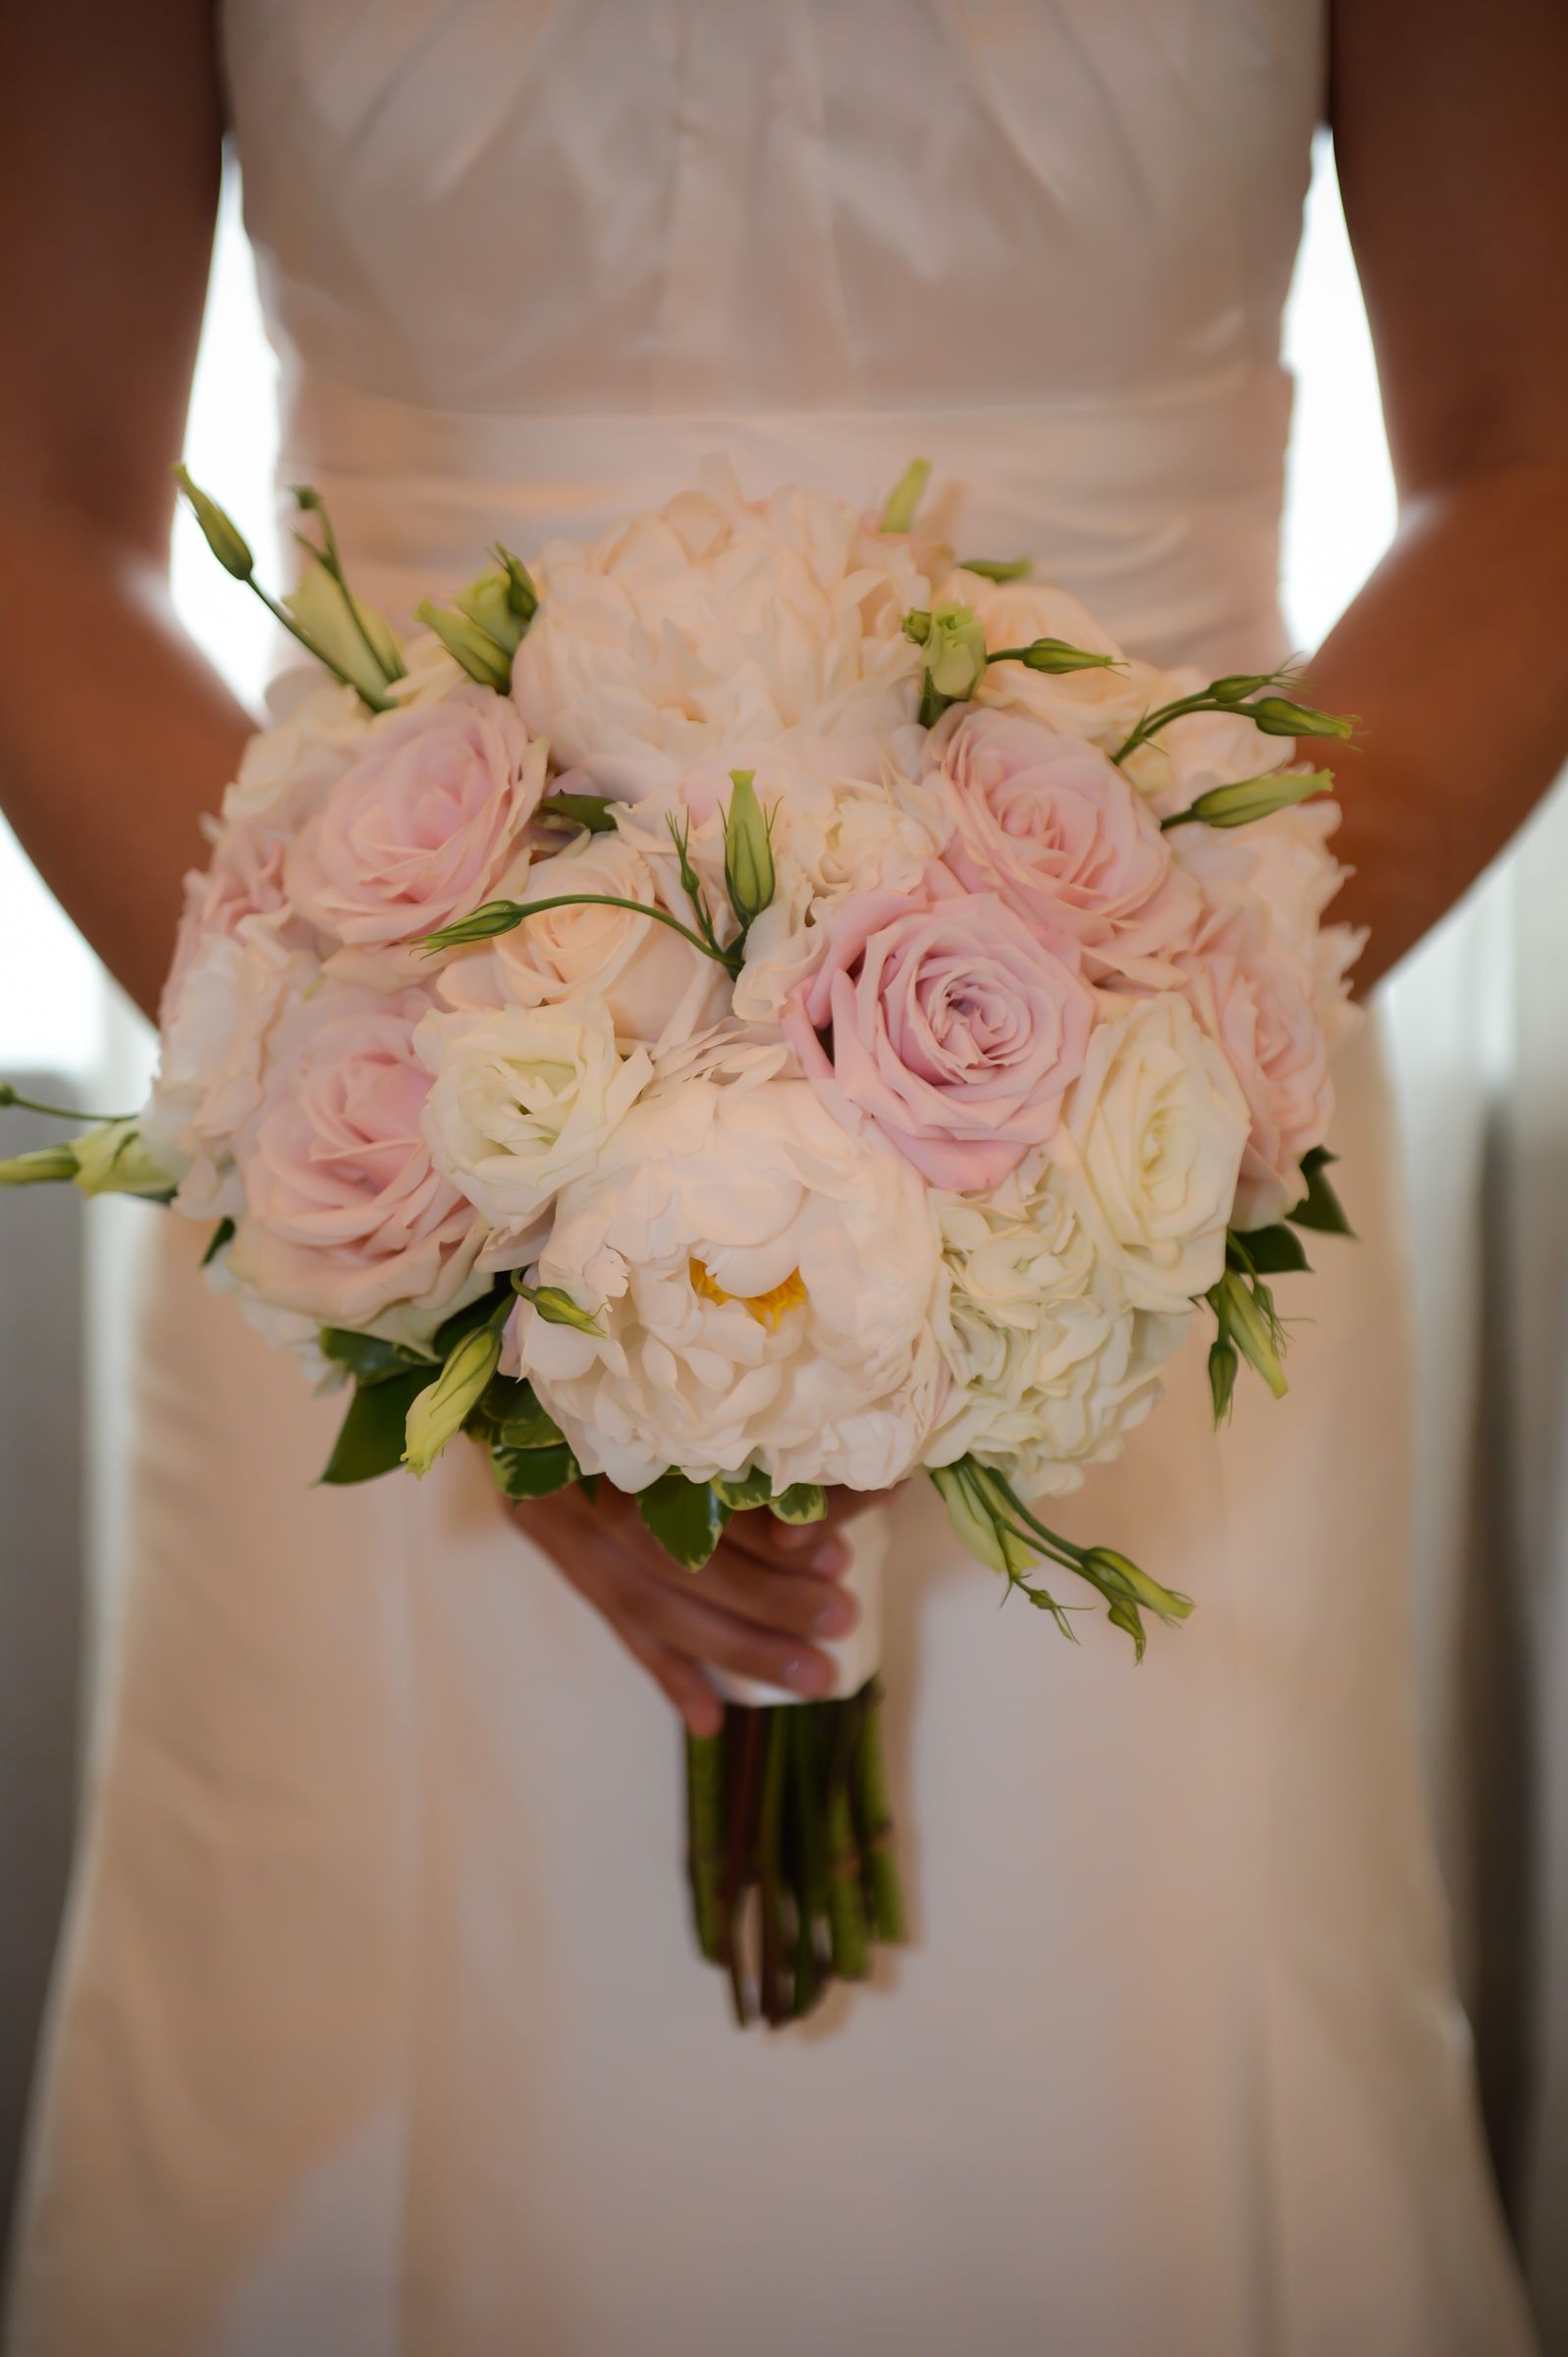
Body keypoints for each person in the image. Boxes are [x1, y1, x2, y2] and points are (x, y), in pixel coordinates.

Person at [2, 4, 1565, 2351]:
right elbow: (31, 493)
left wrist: (1111, 1053)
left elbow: (1530, 452)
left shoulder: (1137, 1097)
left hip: (1162, 1181)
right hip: (384, 1144)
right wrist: (431, 1200)